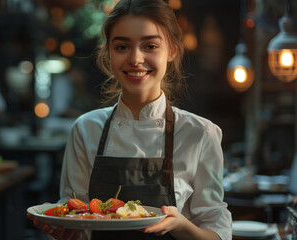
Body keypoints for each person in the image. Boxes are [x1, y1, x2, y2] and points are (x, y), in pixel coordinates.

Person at [28, 0, 232, 239]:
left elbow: (217, 233)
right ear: (109, 53)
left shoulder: (200, 133)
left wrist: (181, 225)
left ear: (172, 50)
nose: (135, 58)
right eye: (122, 47)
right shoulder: (86, 129)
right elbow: (76, 219)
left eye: (150, 46)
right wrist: (63, 231)